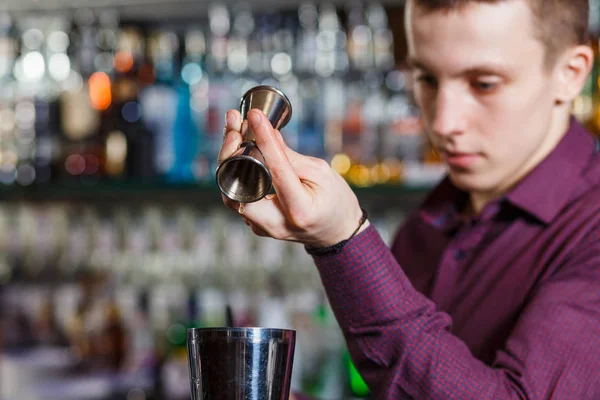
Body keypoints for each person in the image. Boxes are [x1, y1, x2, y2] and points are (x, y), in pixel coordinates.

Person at [219, 0, 600, 397]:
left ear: (570, 75)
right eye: (427, 79)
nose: (442, 123)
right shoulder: (429, 223)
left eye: (484, 83)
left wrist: (344, 241)